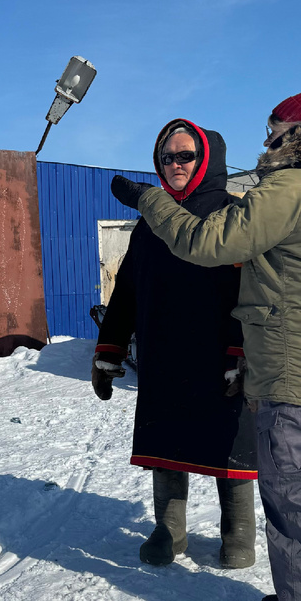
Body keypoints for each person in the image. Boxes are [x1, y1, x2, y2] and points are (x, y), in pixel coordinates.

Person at [111, 87, 301, 601]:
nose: (266, 140)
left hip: (291, 367)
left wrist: (150, 200)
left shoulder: (293, 186)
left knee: (296, 504)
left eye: (274, 128)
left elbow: (206, 242)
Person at [92, 120, 257, 568]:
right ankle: (169, 530)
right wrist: (108, 352)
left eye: (185, 156)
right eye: (167, 157)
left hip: (221, 353)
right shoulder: (149, 225)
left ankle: (238, 534)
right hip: (164, 355)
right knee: (165, 445)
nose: (175, 164)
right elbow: (126, 290)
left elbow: (252, 291)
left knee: (230, 443)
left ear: (207, 159)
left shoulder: (234, 215)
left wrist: (241, 353)